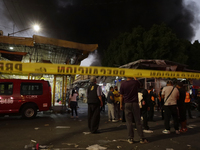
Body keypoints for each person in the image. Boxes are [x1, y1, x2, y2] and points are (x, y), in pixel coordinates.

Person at [120, 77, 148, 144]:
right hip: (135, 103)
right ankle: (142, 138)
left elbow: (121, 95)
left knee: (129, 122)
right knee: (138, 121)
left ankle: (130, 138)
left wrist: (121, 104)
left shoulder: (123, 84)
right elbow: (140, 84)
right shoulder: (135, 82)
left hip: (127, 103)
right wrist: (135, 79)